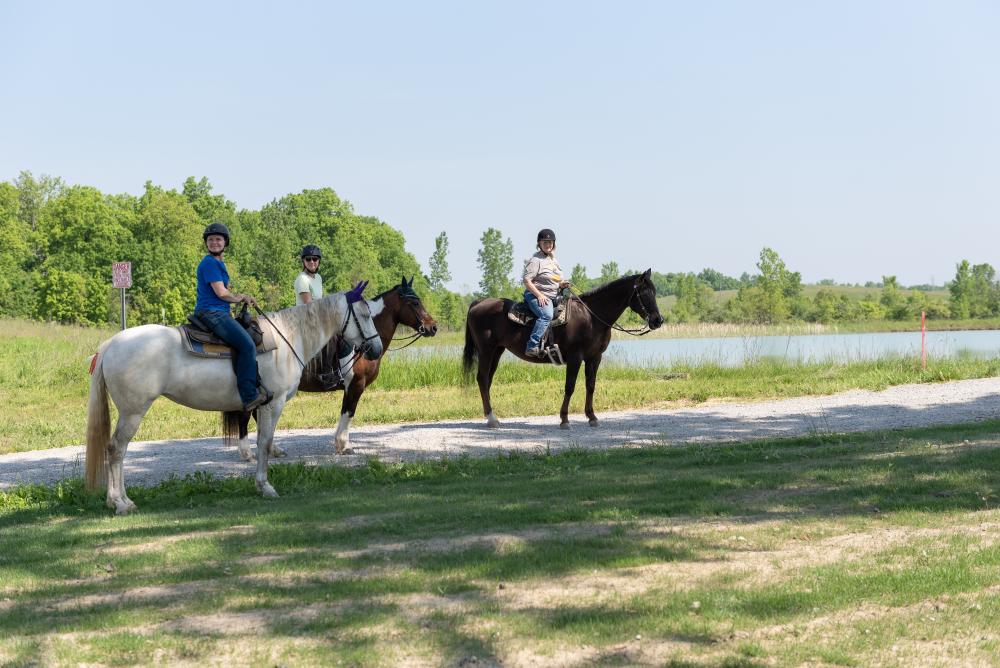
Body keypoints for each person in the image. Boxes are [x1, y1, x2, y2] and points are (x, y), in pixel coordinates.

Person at [194, 222, 272, 412]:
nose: (214, 242)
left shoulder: (219, 264)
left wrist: (240, 298)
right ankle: (249, 395)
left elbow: (223, 293)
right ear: (206, 243)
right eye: (210, 240)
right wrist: (241, 297)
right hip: (212, 312)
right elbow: (221, 293)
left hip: (219, 311)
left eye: (218, 239)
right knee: (247, 345)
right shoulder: (210, 263)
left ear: (225, 242)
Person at [294, 244, 355, 386]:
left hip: (317, 318)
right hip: (305, 319)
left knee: (344, 333)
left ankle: (339, 371)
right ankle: (326, 375)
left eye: (315, 259)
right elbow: (310, 305)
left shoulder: (318, 278)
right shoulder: (302, 279)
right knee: (332, 336)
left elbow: (321, 301)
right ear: (303, 261)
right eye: (308, 259)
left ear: (319, 261)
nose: (312, 262)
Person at [522, 228, 568, 357]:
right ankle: (532, 345)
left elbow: (555, 280)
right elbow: (526, 280)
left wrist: (562, 284)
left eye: (550, 242)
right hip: (536, 295)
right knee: (546, 315)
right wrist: (540, 295)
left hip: (554, 295)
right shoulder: (535, 260)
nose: (548, 245)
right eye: (545, 242)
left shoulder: (552, 260)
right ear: (539, 243)